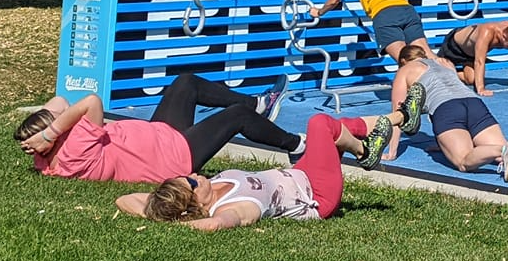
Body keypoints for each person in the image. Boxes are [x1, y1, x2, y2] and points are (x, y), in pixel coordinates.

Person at [17, 74, 308, 185]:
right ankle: (295, 145)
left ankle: (259, 104)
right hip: (173, 156)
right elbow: (91, 102)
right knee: (237, 117)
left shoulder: (45, 159)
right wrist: (48, 132)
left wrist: (45, 135)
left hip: (159, 135)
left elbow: (58, 103)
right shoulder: (75, 149)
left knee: (185, 84)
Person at [116, 111, 388, 227]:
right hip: (317, 193)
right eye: (192, 183)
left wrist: (159, 213)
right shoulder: (232, 208)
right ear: (192, 204)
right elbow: (216, 225)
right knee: (320, 124)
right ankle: (366, 151)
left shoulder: (212, 188)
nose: (195, 175)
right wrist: (179, 224)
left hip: (300, 172)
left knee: (333, 127)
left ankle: (395, 120)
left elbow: (123, 199)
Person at [389, 46, 508, 180]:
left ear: (403, 61)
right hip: (473, 103)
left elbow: (399, 113)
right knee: (496, 156)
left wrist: (392, 152)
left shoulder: (405, 71)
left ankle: (506, 150)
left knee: (464, 161)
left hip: (446, 110)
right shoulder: (443, 63)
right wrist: (443, 142)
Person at [438, 19, 508, 95]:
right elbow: (480, 62)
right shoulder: (487, 32)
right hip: (454, 46)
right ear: (503, 36)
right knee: (435, 71)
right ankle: (444, 69)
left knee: (471, 80)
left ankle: (449, 72)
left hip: (470, 54)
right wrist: (481, 88)